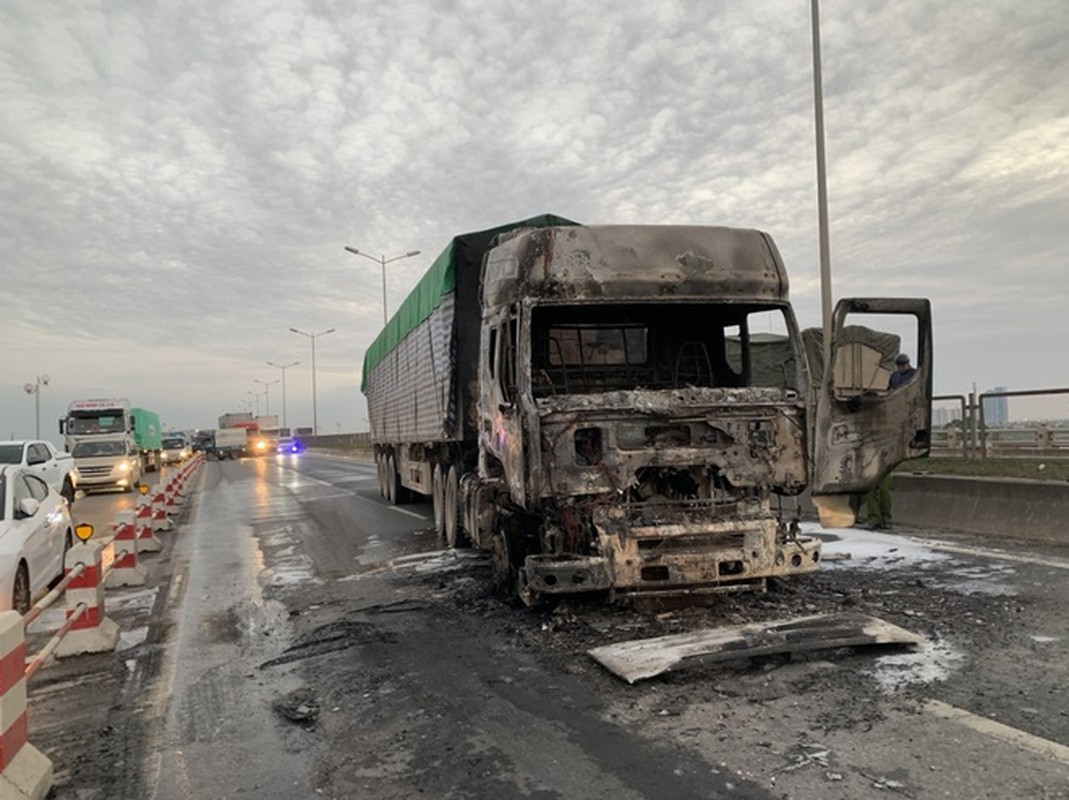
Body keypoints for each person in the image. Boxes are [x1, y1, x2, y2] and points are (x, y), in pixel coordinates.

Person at [866, 353, 917, 528]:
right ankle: (874, 518)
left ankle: (885, 519)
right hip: (872, 457)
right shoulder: (893, 377)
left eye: (902, 365)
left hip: (885, 456)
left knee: (884, 488)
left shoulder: (913, 375)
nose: (900, 368)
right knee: (871, 489)